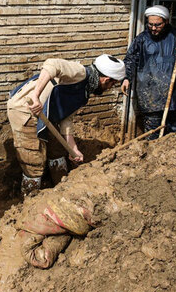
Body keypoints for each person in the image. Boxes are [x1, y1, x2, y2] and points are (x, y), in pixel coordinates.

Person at [7, 55, 126, 195]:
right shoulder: (80, 73)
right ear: (106, 79)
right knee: (34, 161)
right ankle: (29, 200)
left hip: (47, 114)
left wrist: (73, 149)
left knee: (58, 150)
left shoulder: (86, 90)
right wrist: (35, 96)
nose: (110, 88)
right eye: (112, 84)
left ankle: (61, 190)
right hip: (25, 110)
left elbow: (66, 120)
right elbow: (52, 64)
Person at [121, 5, 176, 139]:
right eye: (150, 25)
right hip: (151, 94)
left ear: (166, 22)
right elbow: (131, 59)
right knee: (153, 133)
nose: (154, 28)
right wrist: (127, 78)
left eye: (158, 25)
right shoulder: (142, 39)